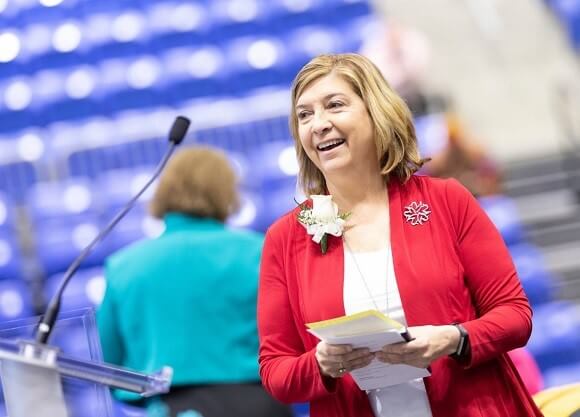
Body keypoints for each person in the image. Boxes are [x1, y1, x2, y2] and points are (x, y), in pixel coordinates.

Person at [257, 53, 544, 417]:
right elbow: (276, 371)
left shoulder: (446, 201)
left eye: (335, 105)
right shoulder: (285, 239)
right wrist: (321, 363)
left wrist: (452, 339)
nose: (319, 124)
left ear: (375, 112)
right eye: (305, 114)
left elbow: (515, 316)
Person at [97, 147, 292, 417]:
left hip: (171, 407)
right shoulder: (259, 252)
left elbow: (110, 366)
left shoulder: (123, 266)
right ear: (227, 193)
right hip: (258, 403)